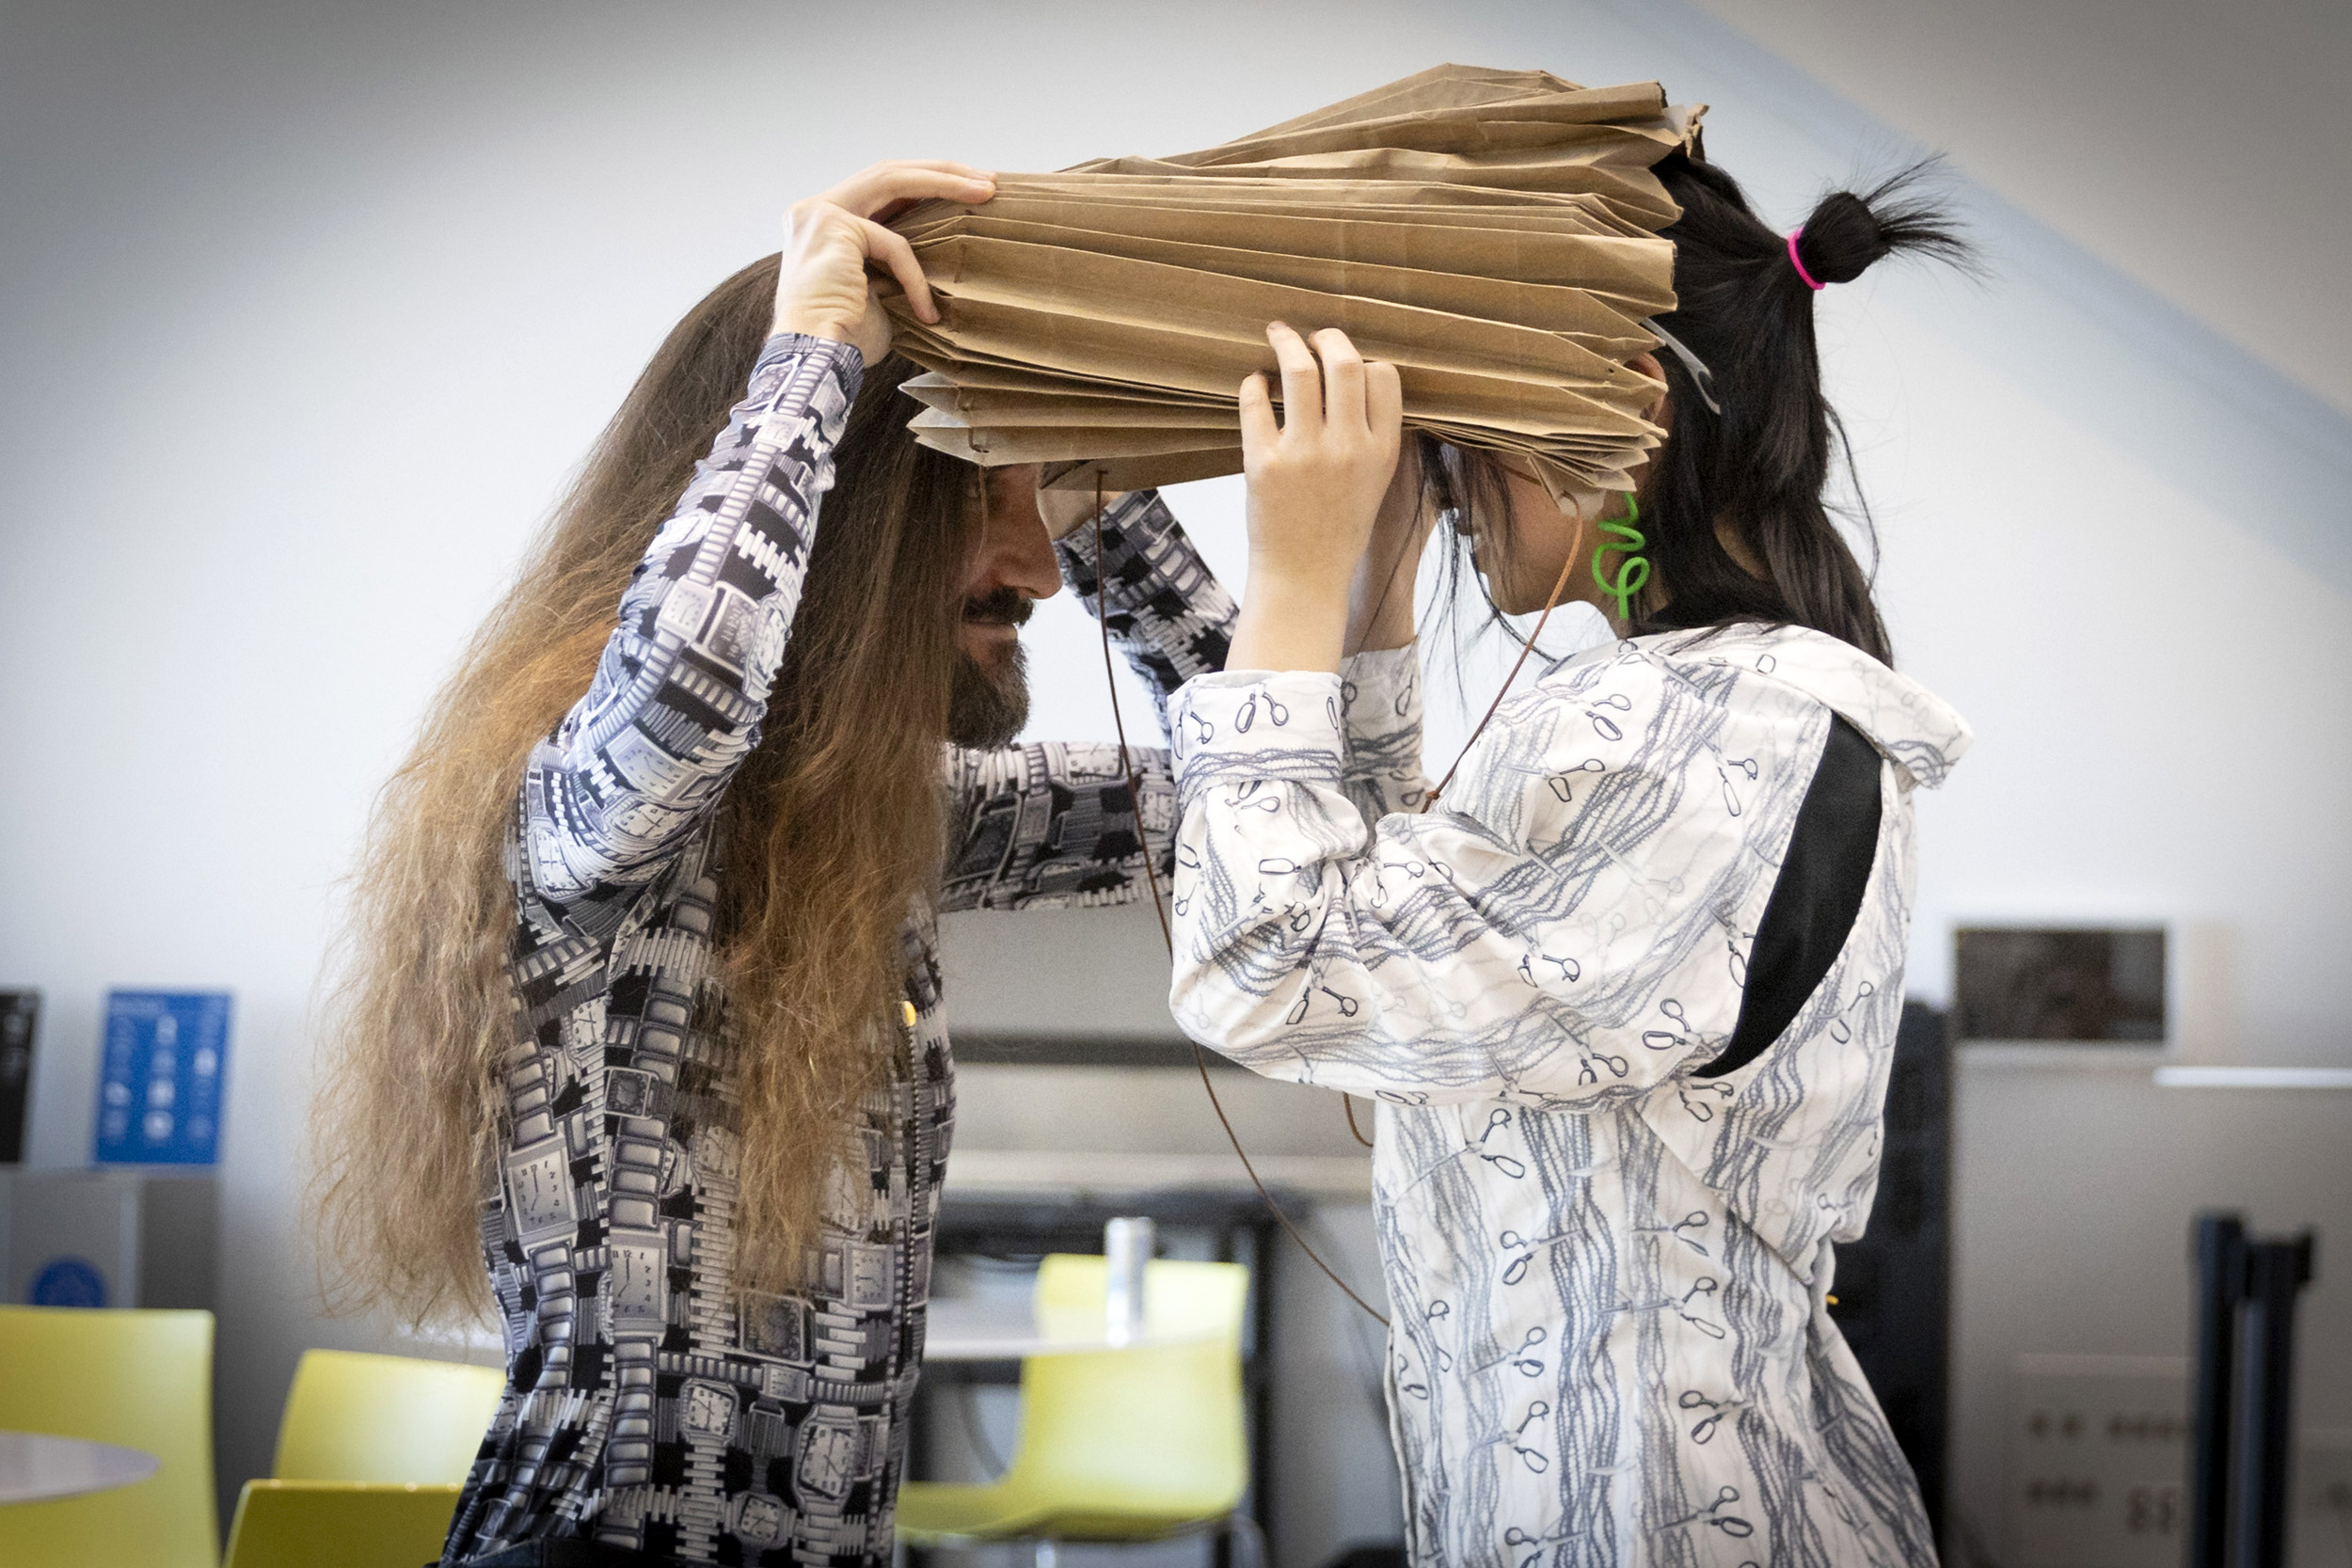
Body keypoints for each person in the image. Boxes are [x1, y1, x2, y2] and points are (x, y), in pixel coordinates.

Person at [313, 161, 1238, 1567]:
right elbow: (683, 703)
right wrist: (815, 354)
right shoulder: (574, 805)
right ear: (851, 516)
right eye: (971, 503)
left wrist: (1104, 495)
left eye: (1029, 504)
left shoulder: (868, 819)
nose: (1035, 571)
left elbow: (1275, 790)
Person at [1165, 154, 1973, 1564]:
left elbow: (1270, 967)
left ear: (1628, 415)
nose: (1458, 478)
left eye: (1476, 428)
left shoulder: (1710, 721)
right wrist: (1367, 587)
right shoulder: (1703, 709)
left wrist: (1290, 575)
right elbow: (1388, 928)